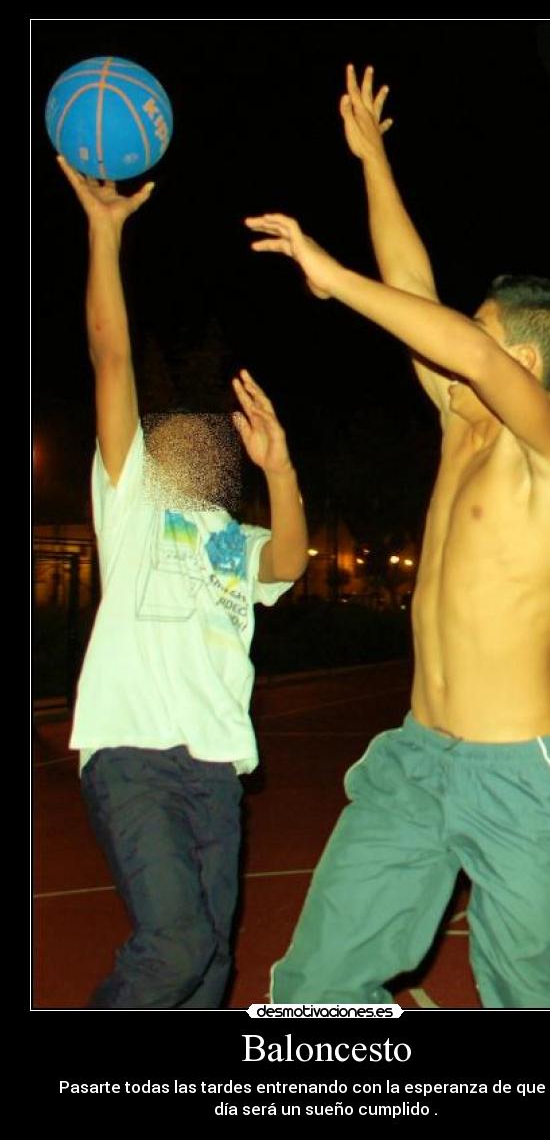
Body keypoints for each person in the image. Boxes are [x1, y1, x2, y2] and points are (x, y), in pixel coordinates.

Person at [245, 65, 550, 1009]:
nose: (446, 341)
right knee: (312, 988)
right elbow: (415, 286)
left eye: (475, 333)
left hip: (518, 776)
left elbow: (459, 342)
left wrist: (331, 275)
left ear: (523, 358)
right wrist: (373, 160)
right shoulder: (458, 422)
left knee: (528, 1002)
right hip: (417, 758)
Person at [57, 155, 308, 1009]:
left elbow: (294, 562)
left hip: (215, 771)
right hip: (133, 753)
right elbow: (112, 357)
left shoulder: (235, 541)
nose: (202, 444)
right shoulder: (132, 499)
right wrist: (104, 233)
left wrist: (281, 470)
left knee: (208, 972)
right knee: (175, 943)